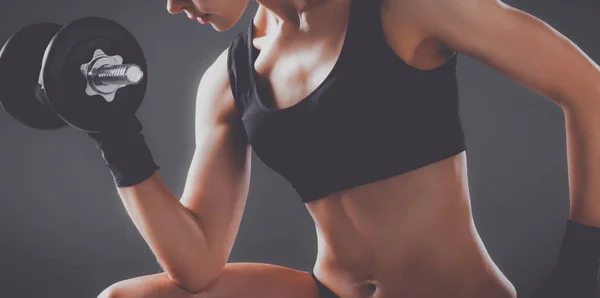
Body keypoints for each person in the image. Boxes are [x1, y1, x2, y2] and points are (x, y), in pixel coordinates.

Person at [95, 0, 600, 297]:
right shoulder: (227, 82)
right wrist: (114, 133)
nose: (171, 4)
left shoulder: (402, 9)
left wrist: (584, 265)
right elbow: (198, 263)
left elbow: (588, 90)